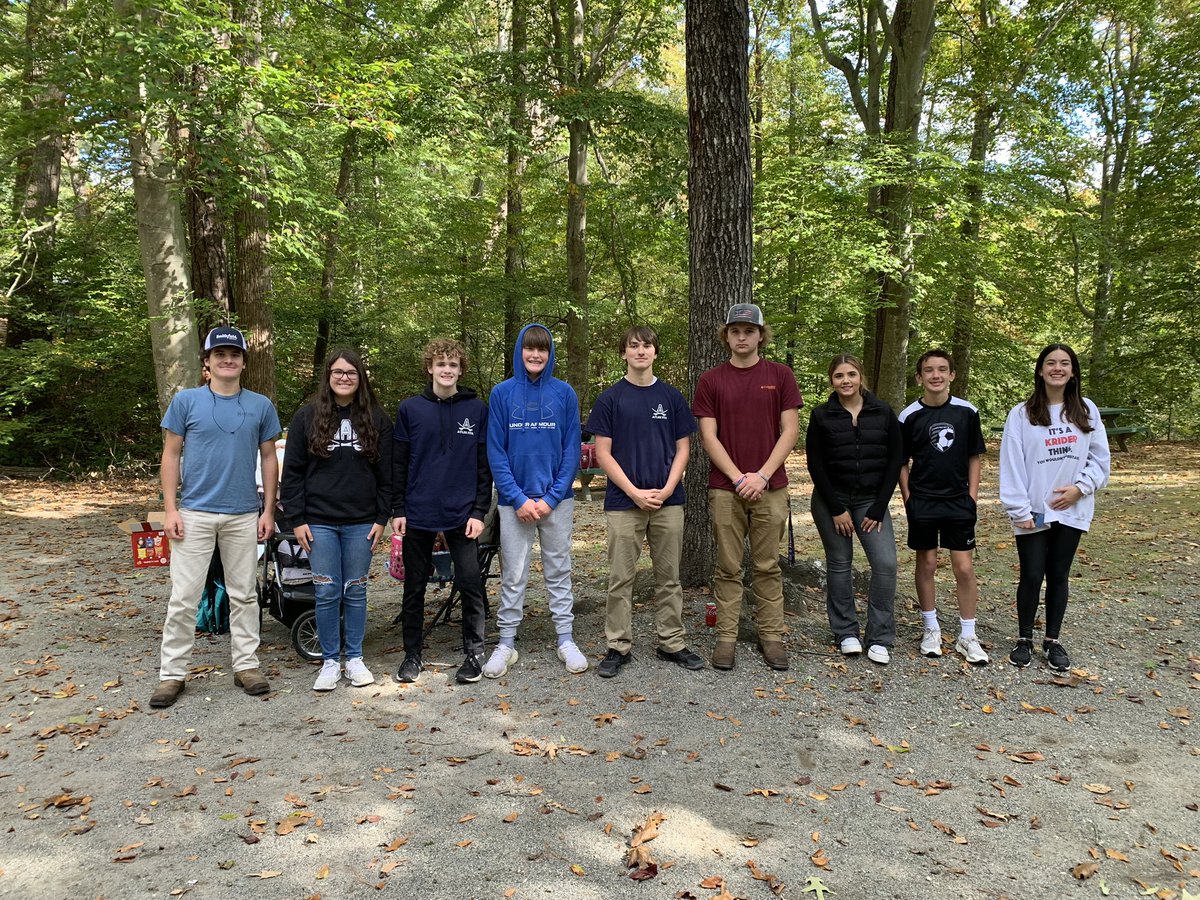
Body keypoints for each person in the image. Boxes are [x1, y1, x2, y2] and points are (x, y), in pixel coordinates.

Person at [150, 325, 282, 709]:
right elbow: (171, 454)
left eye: (235, 354)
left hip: (243, 514)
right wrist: (170, 508)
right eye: (219, 354)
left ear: (243, 362)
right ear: (206, 362)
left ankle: (247, 665)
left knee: (244, 594)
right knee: (184, 597)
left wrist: (268, 510)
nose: (228, 360)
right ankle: (172, 674)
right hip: (192, 513)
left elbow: (270, 457)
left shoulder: (260, 405)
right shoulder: (186, 402)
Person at [585, 325, 703, 678]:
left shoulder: (671, 398)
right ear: (623, 353)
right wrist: (634, 492)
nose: (640, 351)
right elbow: (602, 453)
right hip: (624, 501)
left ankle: (672, 642)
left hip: (669, 500)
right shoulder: (610, 399)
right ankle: (618, 646)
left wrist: (667, 489)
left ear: (655, 352)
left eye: (647, 345)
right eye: (633, 346)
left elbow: (684, 448)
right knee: (621, 577)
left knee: (669, 577)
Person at [693, 303, 802, 672]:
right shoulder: (711, 380)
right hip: (726, 488)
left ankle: (770, 636)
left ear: (760, 335)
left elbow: (790, 430)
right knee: (727, 565)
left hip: (770, 487)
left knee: (767, 565)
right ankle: (727, 637)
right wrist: (739, 477)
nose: (742, 337)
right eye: (735, 331)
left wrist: (762, 475)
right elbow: (708, 436)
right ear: (727, 336)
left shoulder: (780, 375)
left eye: (749, 331)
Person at [281, 349, 392, 692]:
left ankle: (355, 658)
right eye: (338, 372)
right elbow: (293, 474)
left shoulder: (377, 418)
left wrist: (381, 517)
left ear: (361, 378)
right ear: (328, 376)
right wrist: (297, 518)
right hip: (318, 523)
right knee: (327, 590)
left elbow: (389, 474)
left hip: (362, 522)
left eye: (351, 372)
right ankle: (330, 661)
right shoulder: (306, 417)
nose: (344, 378)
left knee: (355, 590)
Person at [1000, 343, 1110, 672]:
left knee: (1058, 574)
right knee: (1032, 574)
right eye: (1051, 363)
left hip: (1071, 509)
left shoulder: (1086, 410)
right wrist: (1019, 509)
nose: (1057, 368)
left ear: (1073, 371)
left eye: (1065, 363)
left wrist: (1080, 489)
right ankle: (1023, 639)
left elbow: (1100, 460)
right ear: (1040, 370)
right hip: (1033, 510)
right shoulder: (1021, 414)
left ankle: (1052, 640)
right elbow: (1011, 464)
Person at [483, 324, 584, 677]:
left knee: (559, 571)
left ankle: (565, 639)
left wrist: (553, 496)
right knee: (513, 573)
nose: (536, 355)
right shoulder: (502, 394)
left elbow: (572, 450)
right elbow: (495, 450)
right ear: (520, 351)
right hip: (515, 503)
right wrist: (516, 497)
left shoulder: (564, 394)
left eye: (542, 349)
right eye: (529, 349)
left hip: (557, 501)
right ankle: (506, 643)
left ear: (550, 353)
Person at [391, 339, 491, 685]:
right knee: (414, 586)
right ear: (429, 368)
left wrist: (479, 511)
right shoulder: (410, 409)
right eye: (440, 363)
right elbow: (399, 464)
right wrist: (398, 509)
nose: (446, 369)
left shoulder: (477, 410)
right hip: (417, 511)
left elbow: (483, 465)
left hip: (462, 513)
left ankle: (475, 652)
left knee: (470, 582)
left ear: (461, 370)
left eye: (453, 364)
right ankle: (412, 654)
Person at [806, 353, 901, 665]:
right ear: (831, 380)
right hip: (831, 501)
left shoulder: (883, 412)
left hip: (871, 502)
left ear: (861, 377)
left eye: (851, 374)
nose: (845, 381)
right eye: (838, 376)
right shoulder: (822, 415)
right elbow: (815, 464)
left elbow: (894, 462)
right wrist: (836, 508)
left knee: (885, 563)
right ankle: (845, 631)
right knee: (839, 563)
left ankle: (880, 636)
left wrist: (878, 507)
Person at [898, 350, 989, 664]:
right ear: (919, 377)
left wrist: (972, 497)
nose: (935, 375)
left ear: (951, 374)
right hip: (922, 501)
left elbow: (974, 456)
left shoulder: (966, 412)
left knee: (963, 567)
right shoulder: (908, 416)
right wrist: (909, 500)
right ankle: (931, 628)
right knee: (927, 565)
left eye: (942, 370)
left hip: (958, 501)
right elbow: (901, 462)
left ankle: (967, 635)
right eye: (928, 370)